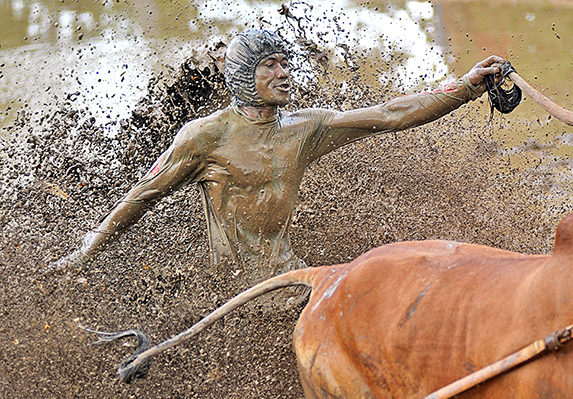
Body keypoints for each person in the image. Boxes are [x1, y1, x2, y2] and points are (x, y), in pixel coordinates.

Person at [51, 29, 503, 282]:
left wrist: (465, 86)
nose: (285, 74)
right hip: (235, 293)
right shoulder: (204, 137)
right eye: (271, 65)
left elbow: (389, 115)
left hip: (292, 280)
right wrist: (84, 254)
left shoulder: (305, 129)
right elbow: (141, 197)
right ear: (245, 74)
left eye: (285, 64)